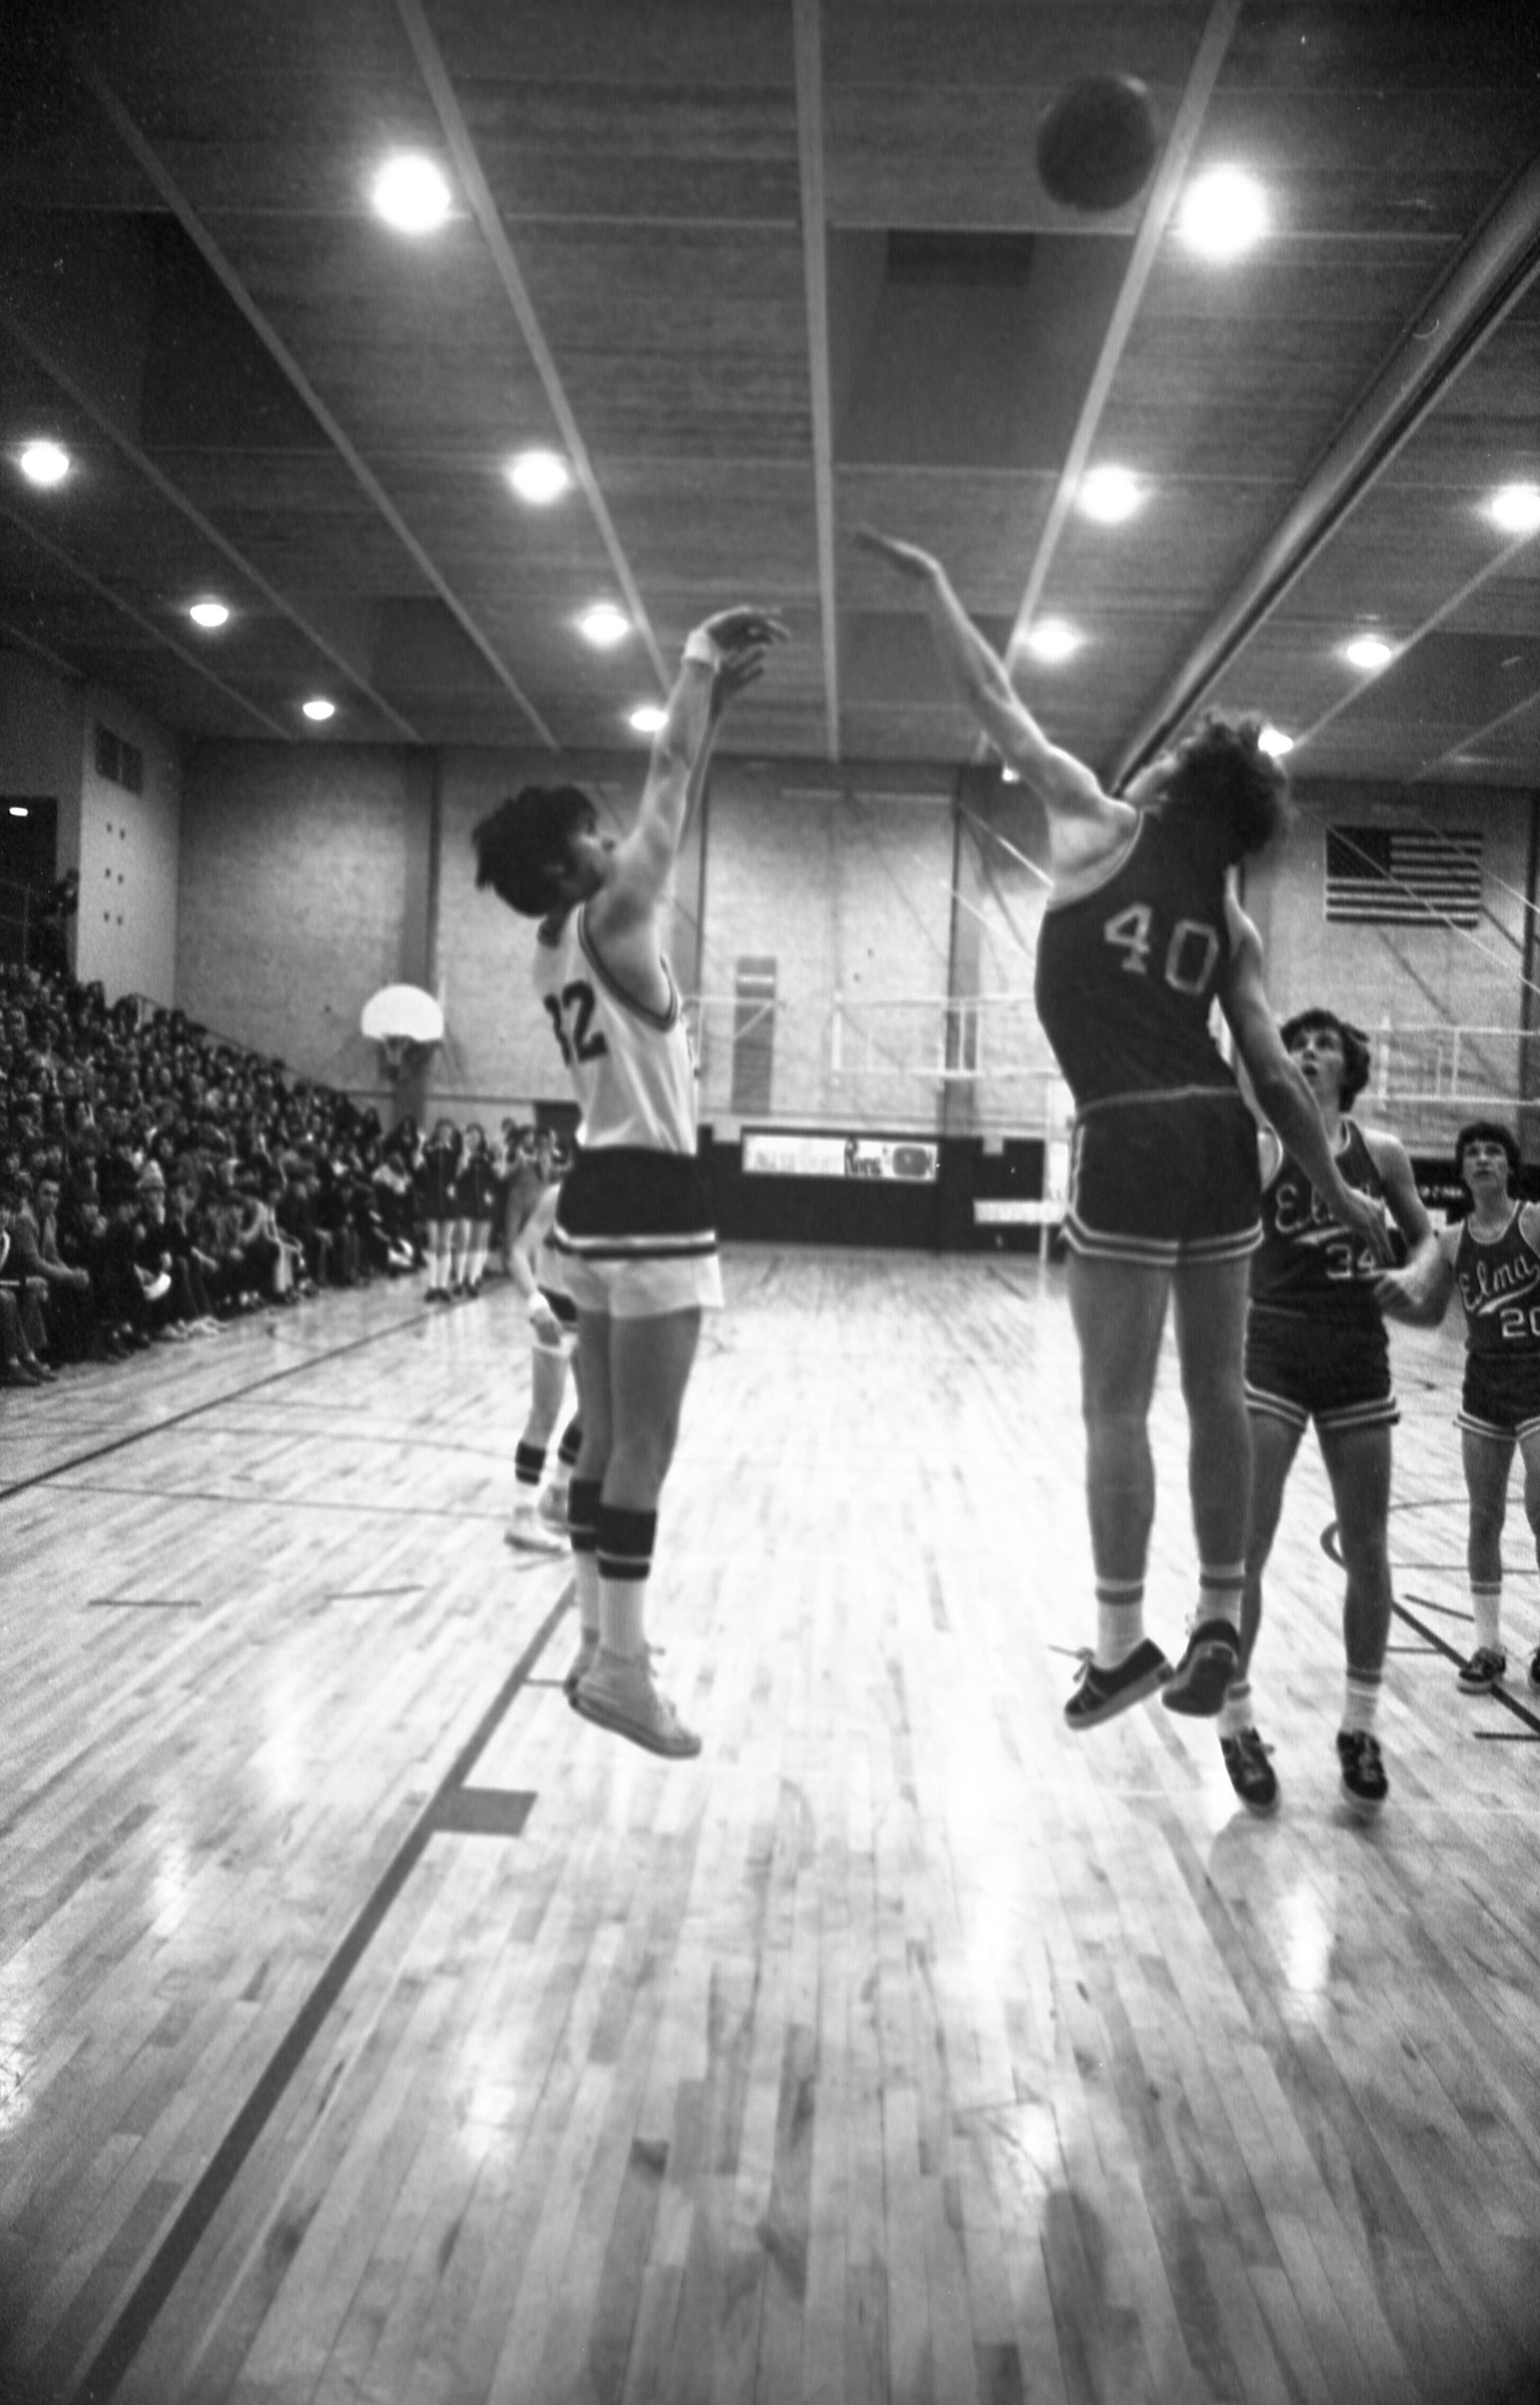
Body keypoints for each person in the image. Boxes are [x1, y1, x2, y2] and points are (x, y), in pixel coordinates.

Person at [858, 527, 1389, 1732]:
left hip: (1131, 1131)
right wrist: (1338, 1191)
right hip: (1221, 1140)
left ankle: (1117, 1648)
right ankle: (1219, 1620)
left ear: (1178, 783)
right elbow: (1272, 1074)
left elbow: (993, 702)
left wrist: (936, 583)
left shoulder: (1099, 826)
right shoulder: (1232, 922)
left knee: (1115, 1404)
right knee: (1215, 1392)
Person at [472, 604, 784, 1756]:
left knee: (603, 1448)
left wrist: (715, 708)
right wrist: (697, 664)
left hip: (596, 1197)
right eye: (593, 836)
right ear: (570, 865)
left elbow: (674, 773)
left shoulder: (550, 947)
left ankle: (605, 1650)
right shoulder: (614, 913)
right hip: (652, 1195)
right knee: (643, 1447)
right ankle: (618, 1668)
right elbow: (670, 781)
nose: (615, 840)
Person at [1223, 1010, 1436, 1818]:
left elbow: (1429, 1243)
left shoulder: (1382, 1153)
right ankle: (1237, 1721)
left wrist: (1418, 1275)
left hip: (1356, 1350)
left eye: (1324, 1045)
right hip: (1276, 1344)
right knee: (1246, 1547)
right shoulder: (1262, 1146)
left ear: (1349, 1067)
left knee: (1368, 1547)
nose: (1308, 1052)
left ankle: (1360, 1726)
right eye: (1297, 1044)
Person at [1376, 1120, 1540, 1697]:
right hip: (1485, 1384)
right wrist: (1381, 1299)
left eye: (1494, 1151)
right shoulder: (1450, 1241)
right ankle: (1488, 1646)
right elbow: (1429, 1314)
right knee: (1483, 1517)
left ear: (1510, 1165)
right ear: (1463, 1170)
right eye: (1473, 1153)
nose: (1483, 1159)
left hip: (1537, 1378)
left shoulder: (1534, 1222)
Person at [503, 1176, 583, 1557]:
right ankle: (522, 1515)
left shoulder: (621, 1195)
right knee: (545, 1412)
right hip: (557, 1317)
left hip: (594, 1315)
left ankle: (558, 1494)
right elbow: (518, 1253)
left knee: (597, 1412)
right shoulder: (560, 1195)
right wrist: (536, 1304)